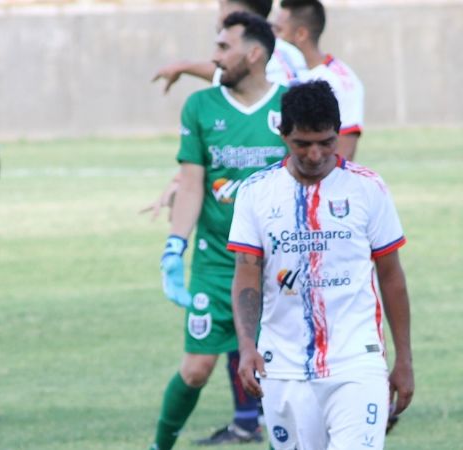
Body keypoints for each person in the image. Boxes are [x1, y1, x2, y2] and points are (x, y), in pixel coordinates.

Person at [227, 80, 414, 449]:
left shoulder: (367, 187)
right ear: (283, 134)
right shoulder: (256, 191)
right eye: (303, 143)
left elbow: (392, 277)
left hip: (357, 360)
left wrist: (404, 359)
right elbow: (246, 274)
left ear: (338, 133)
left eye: (326, 142)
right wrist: (247, 345)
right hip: (282, 364)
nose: (315, 155)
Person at [152, 12, 289, 449]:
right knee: (196, 369)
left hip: (277, 266)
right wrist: (175, 246)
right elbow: (192, 183)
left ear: (255, 54)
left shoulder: (289, 105)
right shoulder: (200, 107)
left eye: (224, 47)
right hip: (215, 263)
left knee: (280, 371)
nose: (214, 56)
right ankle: (159, 445)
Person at [273, 0, 364, 160]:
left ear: (301, 34)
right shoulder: (272, 72)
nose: (274, 38)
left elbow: (343, 154)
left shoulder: (341, 81)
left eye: (279, 30)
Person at [152, 0, 306, 94]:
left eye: (221, 6)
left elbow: (232, 72)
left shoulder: (266, 61)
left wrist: (184, 66)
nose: (216, 58)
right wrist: (184, 66)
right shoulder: (289, 53)